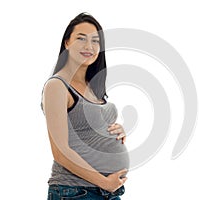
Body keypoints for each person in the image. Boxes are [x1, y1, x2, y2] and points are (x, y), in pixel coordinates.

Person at [40, 12, 130, 199]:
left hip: (105, 191)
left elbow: (86, 130)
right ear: (67, 43)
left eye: (95, 41)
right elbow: (60, 152)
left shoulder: (92, 86)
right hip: (76, 192)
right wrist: (104, 182)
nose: (89, 46)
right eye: (81, 39)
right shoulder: (57, 86)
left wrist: (115, 132)